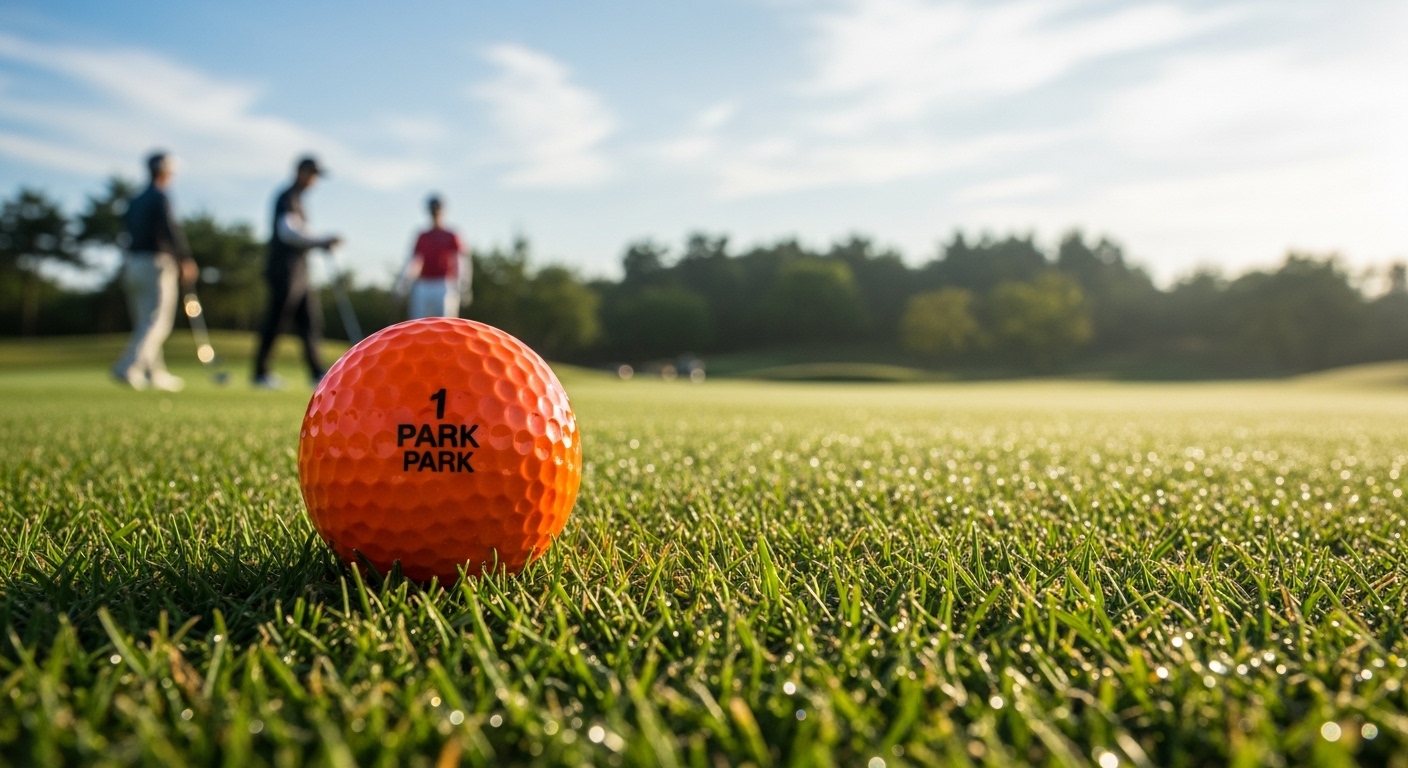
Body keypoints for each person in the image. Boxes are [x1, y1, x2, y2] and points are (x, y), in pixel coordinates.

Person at [112, 151, 198, 392]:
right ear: (165, 171)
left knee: (144, 322)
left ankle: (155, 373)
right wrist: (185, 259)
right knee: (157, 322)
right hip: (156, 263)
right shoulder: (161, 197)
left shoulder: (134, 200)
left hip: (132, 263)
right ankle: (128, 367)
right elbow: (171, 229)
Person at [252, 155, 341, 389]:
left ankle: (317, 373)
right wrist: (321, 241)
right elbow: (288, 231)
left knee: (311, 321)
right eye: (313, 175)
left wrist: (318, 242)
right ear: (302, 172)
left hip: (300, 271)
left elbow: (300, 232)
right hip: (284, 269)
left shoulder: (299, 200)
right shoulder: (287, 197)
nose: (315, 181)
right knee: (277, 321)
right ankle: (260, 373)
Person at [395, 195, 470, 319]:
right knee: (418, 324)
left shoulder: (451, 235)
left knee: (446, 324)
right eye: (433, 210)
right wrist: (403, 285)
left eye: (438, 209)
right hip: (423, 284)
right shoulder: (422, 236)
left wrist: (464, 285)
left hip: (445, 284)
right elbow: (413, 262)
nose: (435, 213)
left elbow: (461, 262)